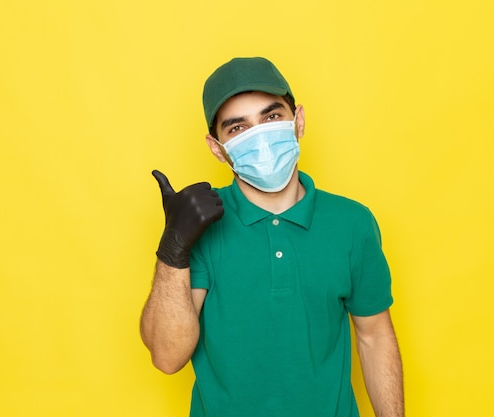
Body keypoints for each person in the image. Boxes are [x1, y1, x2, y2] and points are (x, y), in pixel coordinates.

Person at [140, 57, 404, 417]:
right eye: (237, 128)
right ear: (217, 148)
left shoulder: (352, 223)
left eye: (271, 117)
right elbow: (167, 357)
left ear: (298, 121)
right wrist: (174, 247)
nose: (259, 136)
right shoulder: (200, 226)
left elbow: (374, 336)